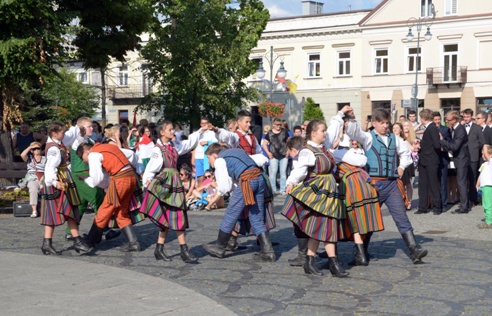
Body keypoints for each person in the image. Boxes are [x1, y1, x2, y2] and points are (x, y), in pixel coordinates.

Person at [345, 107, 428, 264]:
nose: (385, 126)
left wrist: (402, 167)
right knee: (367, 220)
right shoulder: (368, 137)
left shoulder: (395, 139)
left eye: (387, 123)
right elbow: (353, 132)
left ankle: (414, 249)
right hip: (373, 185)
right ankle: (360, 254)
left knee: (401, 216)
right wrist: (352, 118)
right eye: (382, 123)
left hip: (391, 184)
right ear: (374, 123)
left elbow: (406, 154)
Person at [281, 120, 348, 276]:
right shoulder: (307, 151)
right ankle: (328, 263)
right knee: (323, 226)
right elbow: (299, 170)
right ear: (313, 133)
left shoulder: (324, 149)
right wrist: (291, 182)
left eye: (325, 130)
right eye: (322, 130)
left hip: (328, 192)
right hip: (317, 193)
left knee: (325, 226)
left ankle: (316, 262)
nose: (325, 133)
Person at [140, 120, 201, 263]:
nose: (172, 132)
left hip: (174, 184)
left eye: (173, 129)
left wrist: (200, 132)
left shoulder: (174, 146)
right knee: (172, 216)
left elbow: (188, 144)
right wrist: (147, 181)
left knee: (175, 215)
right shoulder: (157, 150)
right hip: (164, 185)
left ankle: (161, 249)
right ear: (162, 132)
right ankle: (181, 250)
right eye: (169, 129)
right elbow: (150, 168)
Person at [202, 143, 275, 262]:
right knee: (256, 216)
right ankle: (268, 252)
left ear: (214, 155)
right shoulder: (238, 152)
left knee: (231, 214)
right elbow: (263, 159)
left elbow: (225, 187)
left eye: (208, 158)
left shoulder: (220, 160)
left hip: (247, 181)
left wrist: (213, 199)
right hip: (259, 179)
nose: (209, 162)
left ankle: (219, 247)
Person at [77, 141, 141, 253]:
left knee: (105, 209)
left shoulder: (93, 154)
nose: (84, 161)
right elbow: (131, 154)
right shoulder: (108, 147)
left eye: (82, 157)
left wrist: (85, 179)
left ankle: (91, 241)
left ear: (86, 152)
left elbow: (96, 179)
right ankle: (133, 243)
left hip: (120, 179)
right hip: (131, 177)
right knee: (121, 212)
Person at [40, 121, 92, 255]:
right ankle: (77, 241)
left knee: (67, 210)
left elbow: (69, 135)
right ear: (54, 134)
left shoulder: (58, 142)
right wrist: (54, 181)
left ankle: (50, 243)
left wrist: (77, 129)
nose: (64, 134)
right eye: (62, 132)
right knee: (65, 210)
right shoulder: (53, 149)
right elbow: (50, 167)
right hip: (59, 181)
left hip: (63, 179)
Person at [64, 117, 119, 242]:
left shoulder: (90, 140)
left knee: (82, 203)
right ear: (82, 128)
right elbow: (72, 138)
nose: (92, 128)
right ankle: (105, 229)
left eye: (92, 126)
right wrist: (78, 130)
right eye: (89, 126)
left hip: (88, 173)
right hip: (79, 174)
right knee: (97, 197)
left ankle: (69, 232)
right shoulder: (76, 140)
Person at [440, 111, 470, 214]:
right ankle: (464, 204)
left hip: (462, 159)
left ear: (454, 120)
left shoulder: (460, 130)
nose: (447, 122)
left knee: (461, 183)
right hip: (458, 159)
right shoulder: (454, 129)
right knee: (460, 182)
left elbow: (455, 146)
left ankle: (464, 207)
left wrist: (443, 141)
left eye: (448, 120)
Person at [415, 109, 442, 215]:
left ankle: (437, 207)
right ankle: (422, 207)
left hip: (431, 160)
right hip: (424, 160)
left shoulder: (432, 128)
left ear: (423, 118)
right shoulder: (429, 128)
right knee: (423, 185)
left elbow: (436, 145)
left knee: (433, 184)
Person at [462, 108, 485, 207]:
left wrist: (475, 147)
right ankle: (464, 199)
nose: (466, 118)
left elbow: (482, 142)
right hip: (462, 156)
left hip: (473, 156)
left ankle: (473, 199)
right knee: (463, 179)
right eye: (464, 117)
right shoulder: (461, 127)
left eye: (467, 117)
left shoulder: (477, 128)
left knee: (473, 178)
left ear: (471, 116)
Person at [263, 117, 290, 195]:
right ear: (273, 125)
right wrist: (268, 153)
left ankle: (282, 190)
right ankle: (273, 190)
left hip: (284, 155)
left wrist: (288, 151)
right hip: (273, 156)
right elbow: (264, 144)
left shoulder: (284, 132)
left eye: (280, 125)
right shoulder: (269, 133)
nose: (279, 126)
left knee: (283, 173)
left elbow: (288, 142)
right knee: (273, 173)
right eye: (277, 125)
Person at [19, 142, 45, 218]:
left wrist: (42, 179)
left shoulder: (45, 159)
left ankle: (49, 209)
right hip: (32, 178)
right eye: (34, 149)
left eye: (38, 148)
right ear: (32, 150)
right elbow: (22, 155)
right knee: (33, 188)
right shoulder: (29, 158)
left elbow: (48, 170)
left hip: (43, 178)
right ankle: (34, 210)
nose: (36, 150)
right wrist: (30, 147)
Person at [433, 112, 452, 212]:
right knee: (435, 182)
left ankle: (444, 204)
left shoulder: (445, 129)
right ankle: (436, 203)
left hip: (443, 157)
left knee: (443, 182)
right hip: (433, 158)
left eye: (438, 119)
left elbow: (449, 142)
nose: (437, 122)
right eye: (435, 120)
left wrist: (443, 146)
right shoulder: (431, 129)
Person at [476, 144, 492, 229]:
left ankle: (489, 222)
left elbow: (486, 152)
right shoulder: (484, 165)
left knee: (488, 204)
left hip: (488, 186)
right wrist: (477, 184)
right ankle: (487, 219)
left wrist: (485, 146)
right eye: (482, 154)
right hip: (483, 186)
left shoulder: (491, 162)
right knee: (485, 204)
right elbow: (480, 175)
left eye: (484, 154)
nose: (483, 156)